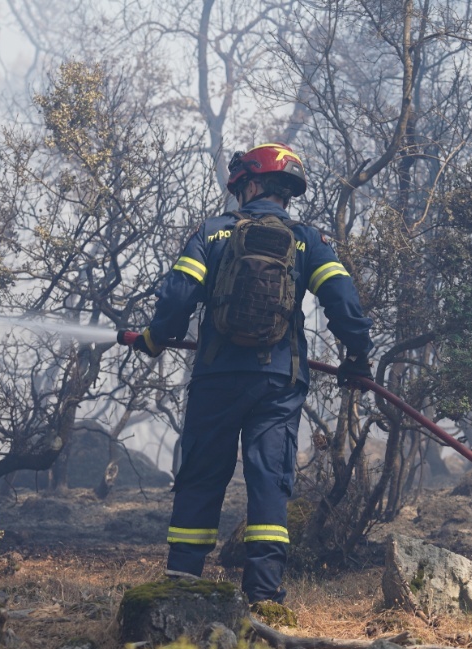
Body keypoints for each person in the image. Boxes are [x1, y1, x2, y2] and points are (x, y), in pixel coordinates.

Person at [131, 143, 373, 606]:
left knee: (202, 474)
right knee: (269, 479)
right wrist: (357, 358)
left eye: (241, 187)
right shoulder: (310, 240)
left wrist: (154, 338)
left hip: (216, 378)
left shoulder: (214, 233)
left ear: (253, 184)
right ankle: (263, 595)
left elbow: (178, 298)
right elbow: (343, 302)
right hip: (278, 383)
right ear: (287, 191)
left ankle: (182, 582)